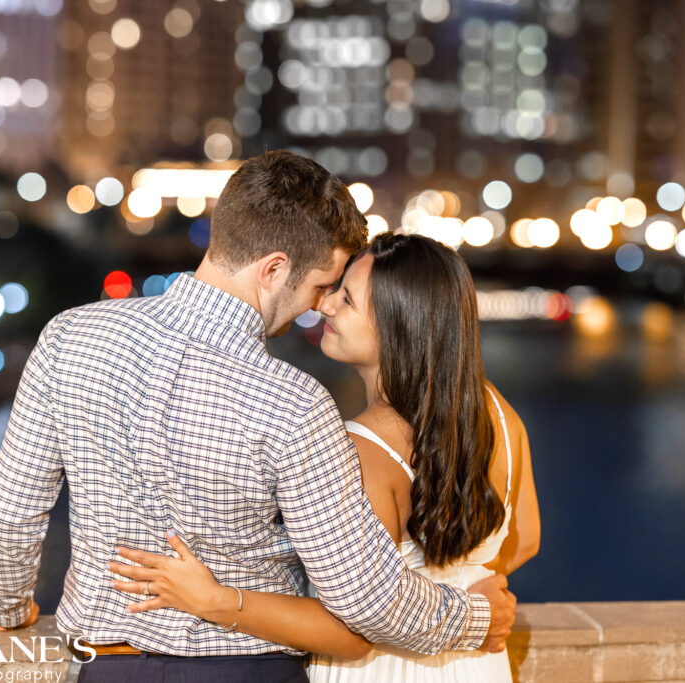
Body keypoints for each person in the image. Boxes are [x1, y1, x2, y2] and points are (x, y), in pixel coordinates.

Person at [0, 151, 517, 682]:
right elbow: (363, 596)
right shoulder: (294, 403)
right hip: (249, 672)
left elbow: (9, 506)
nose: (319, 306)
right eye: (319, 286)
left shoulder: (70, 338)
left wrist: (5, 606)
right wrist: (473, 617)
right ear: (274, 269)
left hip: (108, 670)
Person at [108, 232, 541, 681]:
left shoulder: (360, 447)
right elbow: (525, 538)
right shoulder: (497, 412)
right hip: (479, 664)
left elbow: (351, 624)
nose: (326, 306)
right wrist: (463, 592)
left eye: (348, 300)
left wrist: (215, 600)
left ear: (399, 325)